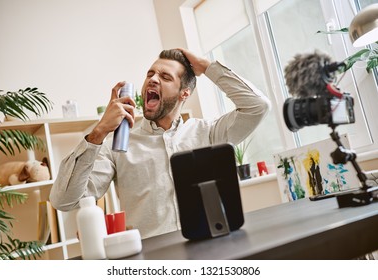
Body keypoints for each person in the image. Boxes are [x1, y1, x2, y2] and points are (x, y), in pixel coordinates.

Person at [49, 48, 271, 239]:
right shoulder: (117, 147)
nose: (153, 79)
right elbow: (63, 201)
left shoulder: (208, 133)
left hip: (210, 251)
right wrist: (98, 133)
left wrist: (206, 66)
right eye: (150, 74)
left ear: (185, 93)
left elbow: (257, 106)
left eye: (165, 77)